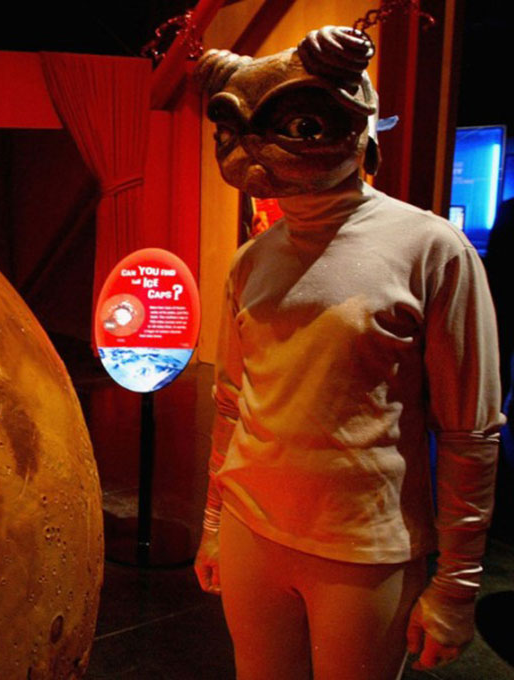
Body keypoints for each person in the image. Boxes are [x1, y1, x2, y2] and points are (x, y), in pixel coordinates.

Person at [192, 26, 504, 680]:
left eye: (299, 123)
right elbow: (233, 402)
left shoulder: (432, 249)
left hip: (365, 549)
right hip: (253, 528)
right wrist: (215, 521)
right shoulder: (253, 261)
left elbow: (469, 431)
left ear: (359, 130)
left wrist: (457, 582)